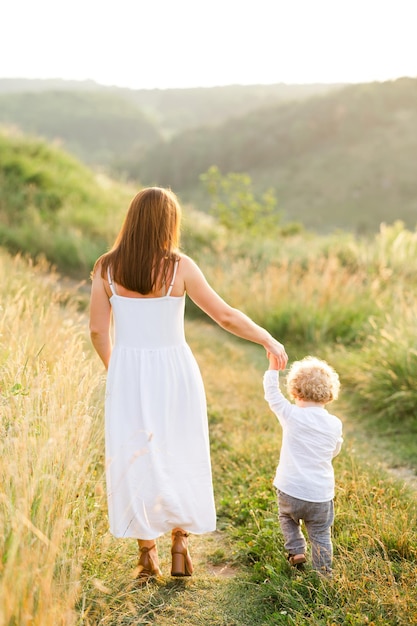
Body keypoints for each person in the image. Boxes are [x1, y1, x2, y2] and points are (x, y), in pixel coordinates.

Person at [89, 186, 288, 582]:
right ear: (170, 222)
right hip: (175, 371)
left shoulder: (106, 268)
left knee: (136, 456)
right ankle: (180, 543)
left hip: (127, 372)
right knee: (180, 448)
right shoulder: (180, 267)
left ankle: (147, 555)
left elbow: (97, 330)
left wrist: (118, 371)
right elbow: (226, 317)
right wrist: (266, 337)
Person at [263, 353, 343, 576]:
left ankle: (296, 550)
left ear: (295, 391)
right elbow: (334, 450)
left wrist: (272, 368)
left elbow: (272, 394)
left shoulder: (291, 414)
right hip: (320, 495)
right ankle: (324, 572)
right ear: (329, 395)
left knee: (287, 518)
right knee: (320, 534)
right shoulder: (335, 423)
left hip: (290, 490)